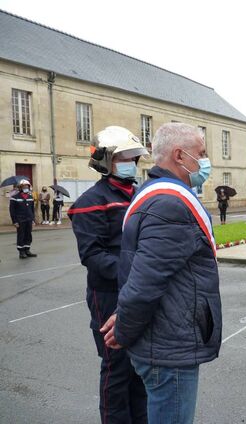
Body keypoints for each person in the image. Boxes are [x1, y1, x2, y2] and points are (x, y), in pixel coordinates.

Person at [101, 123, 221, 424]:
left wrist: (126, 319)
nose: (205, 161)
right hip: (169, 346)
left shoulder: (155, 193)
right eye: (201, 154)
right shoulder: (169, 203)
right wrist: (126, 329)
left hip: (164, 337)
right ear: (180, 156)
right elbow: (145, 283)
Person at [68, 126, 148, 423]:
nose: (132, 162)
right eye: (124, 157)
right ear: (106, 161)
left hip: (137, 290)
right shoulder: (91, 201)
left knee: (139, 367)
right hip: (109, 294)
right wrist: (135, 272)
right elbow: (92, 255)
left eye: (133, 157)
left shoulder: (139, 194)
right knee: (116, 368)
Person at [9, 179, 38, 259]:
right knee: (21, 236)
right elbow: (12, 211)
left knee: (28, 235)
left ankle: (27, 250)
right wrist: (14, 221)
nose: (26, 187)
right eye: (24, 186)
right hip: (20, 220)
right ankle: (21, 252)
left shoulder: (30, 197)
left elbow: (32, 210)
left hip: (29, 219)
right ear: (20, 187)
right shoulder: (14, 198)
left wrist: (33, 220)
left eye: (27, 186)